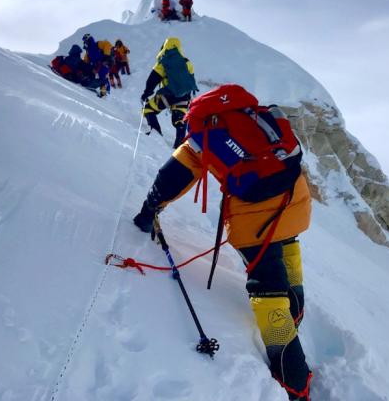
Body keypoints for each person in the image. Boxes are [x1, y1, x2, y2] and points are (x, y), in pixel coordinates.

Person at [133, 84, 313, 401]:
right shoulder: (249, 113)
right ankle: (296, 313)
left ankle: (294, 383)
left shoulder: (199, 136)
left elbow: (171, 178)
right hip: (295, 196)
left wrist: (148, 212)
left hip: (255, 217)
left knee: (267, 292)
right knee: (286, 243)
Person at [141, 37, 198, 149]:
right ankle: (179, 146)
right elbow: (190, 81)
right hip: (184, 97)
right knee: (180, 120)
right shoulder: (187, 63)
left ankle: (155, 133)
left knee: (148, 109)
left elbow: (152, 79)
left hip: (167, 94)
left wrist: (146, 93)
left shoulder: (164, 61)